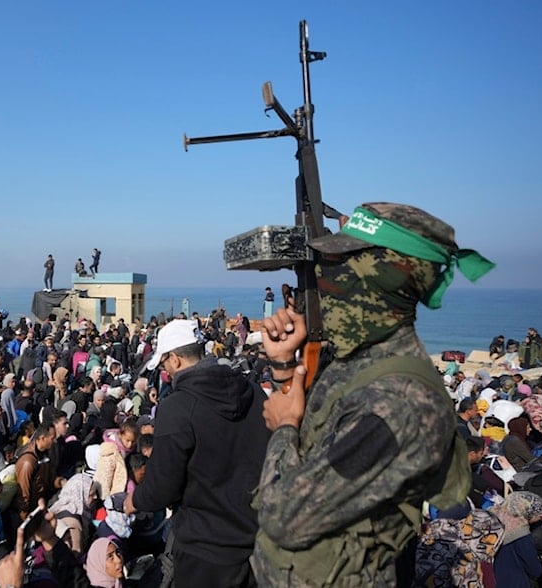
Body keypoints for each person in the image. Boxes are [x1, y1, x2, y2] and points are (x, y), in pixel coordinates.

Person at [251, 202, 494, 586]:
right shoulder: (358, 365)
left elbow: (285, 518)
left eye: (343, 262)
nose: (326, 275)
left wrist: (283, 427)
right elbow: (312, 448)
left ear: (389, 277)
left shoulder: (398, 401)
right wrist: (285, 367)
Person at [123, 318, 270, 587]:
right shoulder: (253, 391)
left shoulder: (176, 409)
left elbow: (162, 487)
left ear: (176, 360)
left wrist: (135, 500)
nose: (166, 371)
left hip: (205, 548)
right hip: (259, 540)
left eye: (165, 363)